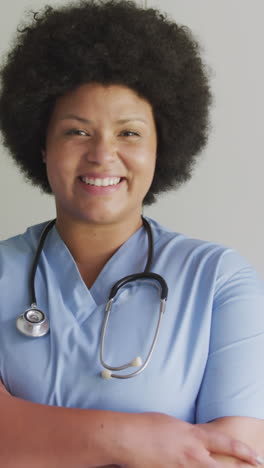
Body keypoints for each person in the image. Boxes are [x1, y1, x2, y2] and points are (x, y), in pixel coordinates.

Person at [0, 1, 263, 467]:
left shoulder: (220, 281)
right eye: (77, 132)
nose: (102, 155)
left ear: (163, 147)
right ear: (41, 146)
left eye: (129, 133)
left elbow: (236, 458)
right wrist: (133, 438)